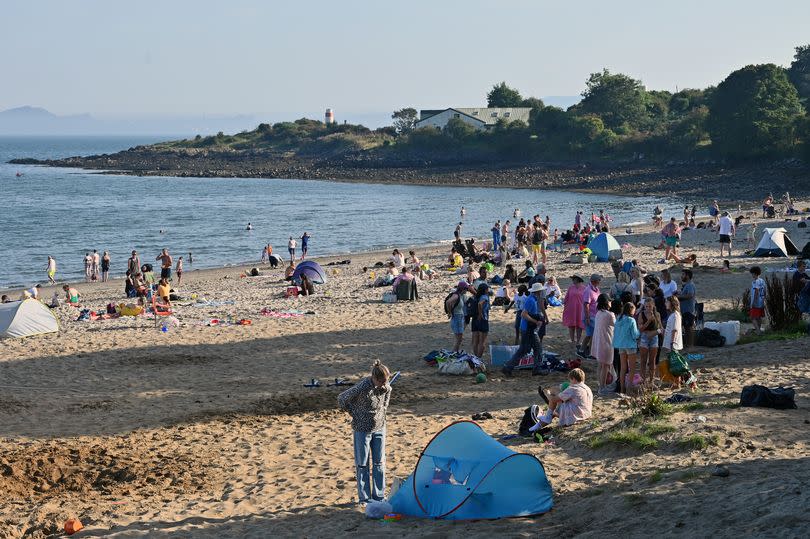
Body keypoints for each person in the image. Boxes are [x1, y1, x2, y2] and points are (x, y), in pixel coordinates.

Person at [337, 360, 392, 505]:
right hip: (362, 430)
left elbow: (386, 398)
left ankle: (379, 496)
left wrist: (383, 410)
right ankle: (365, 498)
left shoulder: (386, 387)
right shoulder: (363, 387)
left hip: (380, 428)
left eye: (387, 381)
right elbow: (342, 399)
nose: (385, 384)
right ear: (375, 378)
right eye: (383, 381)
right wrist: (355, 414)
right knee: (362, 465)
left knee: (379, 463)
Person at [502, 282, 547, 376]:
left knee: (527, 349)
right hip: (528, 329)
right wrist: (536, 321)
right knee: (535, 348)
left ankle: (509, 367)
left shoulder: (531, 299)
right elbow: (524, 314)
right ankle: (535, 368)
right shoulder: (531, 300)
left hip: (526, 328)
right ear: (538, 291)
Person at [614, 302, 640, 395]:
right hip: (630, 345)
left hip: (621, 345)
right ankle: (629, 389)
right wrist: (639, 332)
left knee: (623, 368)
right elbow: (635, 335)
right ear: (631, 309)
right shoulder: (631, 320)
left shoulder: (619, 319)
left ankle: (622, 389)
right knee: (632, 368)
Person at [591, 293, 616, 394]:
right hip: (606, 343)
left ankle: (600, 385)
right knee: (605, 366)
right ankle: (602, 387)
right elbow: (616, 325)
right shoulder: (609, 315)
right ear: (606, 302)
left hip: (598, 342)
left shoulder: (598, 313)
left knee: (600, 365)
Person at [637, 297, 662, 386]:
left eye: (650, 306)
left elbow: (660, 327)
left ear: (653, 306)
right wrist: (648, 321)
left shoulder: (657, 314)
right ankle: (643, 380)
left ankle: (651, 381)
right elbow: (640, 329)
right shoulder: (641, 314)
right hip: (644, 337)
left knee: (652, 360)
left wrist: (658, 332)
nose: (648, 308)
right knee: (643, 360)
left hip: (654, 337)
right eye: (646, 306)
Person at [578, 274, 603, 359]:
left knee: (590, 334)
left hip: (594, 315)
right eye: (599, 280)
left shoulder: (596, 289)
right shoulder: (588, 290)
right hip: (589, 316)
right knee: (593, 334)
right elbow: (586, 305)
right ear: (594, 281)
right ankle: (591, 353)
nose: (600, 282)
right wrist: (588, 317)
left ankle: (582, 350)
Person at [661, 296, 683, 385]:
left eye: (667, 302)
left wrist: (672, 343)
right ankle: (675, 382)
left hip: (673, 343)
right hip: (670, 342)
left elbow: (675, 329)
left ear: (672, 303)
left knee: (675, 364)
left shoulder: (675, 315)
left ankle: (677, 382)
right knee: (672, 363)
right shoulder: (673, 314)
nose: (665, 303)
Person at [446, 282, 472, 352]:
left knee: (459, 339)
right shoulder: (456, 295)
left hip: (459, 318)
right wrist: (449, 312)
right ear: (462, 289)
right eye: (466, 289)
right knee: (459, 339)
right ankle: (453, 353)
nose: (467, 290)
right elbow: (448, 302)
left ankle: (456, 353)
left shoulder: (461, 295)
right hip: (457, 318)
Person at [562, 275, 586, 345]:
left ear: (578, 279)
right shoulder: (571, 288)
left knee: (579, 325)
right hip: (571, 308)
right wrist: (565, 306)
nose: (572, 280)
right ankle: (572, 340)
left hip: (580, 309)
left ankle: (578, 340)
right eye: (572, 279)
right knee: (571, 325)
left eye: (574, 279)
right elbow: (566, 298)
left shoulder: (584, 288)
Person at [677, 269, 696, 348]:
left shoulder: (690, 285)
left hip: (689, 310)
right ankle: (687, 344)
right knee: (686, 327)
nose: (681, 276)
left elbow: (690, 295)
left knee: (689, 327)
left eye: (683, 275)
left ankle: (690, 345)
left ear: (687, 276)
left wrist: (679, 297)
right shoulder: (686, 285)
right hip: (684, 310)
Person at [471, 283, 491, 358]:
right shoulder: (484, 297)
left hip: (474, 319)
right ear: (485, 290)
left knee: (475, 341)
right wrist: (480, 314)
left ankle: (475, 357)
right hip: (482, 319)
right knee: (482, 342)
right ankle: (479, 359)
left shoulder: (476, 296)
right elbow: (480, 304)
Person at [749, 266, 766, 334]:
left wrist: (754, 301)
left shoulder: (755, 282)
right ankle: (758, 329)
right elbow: (765, 290)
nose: (751, 275)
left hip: (756, 302)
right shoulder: (762, 280)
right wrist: (764, 298)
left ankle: (758, 331)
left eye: (752, 274)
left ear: (755, 274)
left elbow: (756, 291)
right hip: (761, 301)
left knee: (753, 317)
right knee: (758, 317)